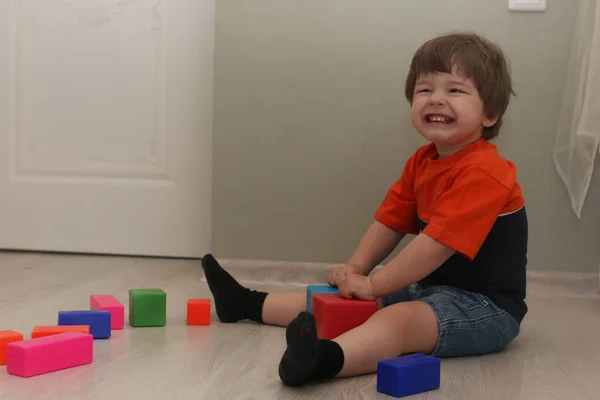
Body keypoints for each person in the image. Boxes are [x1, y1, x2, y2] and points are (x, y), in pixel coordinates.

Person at [200, 31, 528, 387]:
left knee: (397, 320)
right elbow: (390, 222)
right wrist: (355, 270)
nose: (436, 99)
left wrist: (375, 284)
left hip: (485, 307)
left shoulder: (485, 172)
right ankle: (244, 303)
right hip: (429, 290)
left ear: (490, 113)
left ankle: (323, 361)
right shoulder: (423, 161)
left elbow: (436, 245)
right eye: (425, 90)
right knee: (334, 300)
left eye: (454, 90)